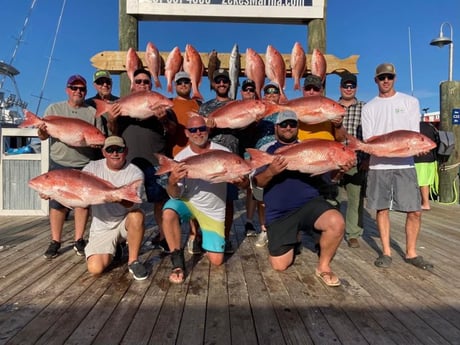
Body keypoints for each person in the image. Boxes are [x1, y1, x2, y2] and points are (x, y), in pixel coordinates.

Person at [252, 110, 347, 287]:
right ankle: (293, 237)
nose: (288, 128)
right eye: (284, 124)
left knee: (336, 222)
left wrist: (339, 170)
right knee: (280, 266)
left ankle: (324, 266)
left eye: (292, 124)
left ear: (297, 127)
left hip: (309, 204)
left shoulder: (311, 147)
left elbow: (328, 178)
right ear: (276, 127)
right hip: (280, 213)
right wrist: (271, 171)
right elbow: (257, 183)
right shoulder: (268, 151)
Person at [361, 63, 433, 270]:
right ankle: (386, 252)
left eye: (389, 77)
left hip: (406, 166)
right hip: (378, 166)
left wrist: (416, 148)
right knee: (382, 210)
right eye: (382, 77)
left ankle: (411, 253)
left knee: (415, 210)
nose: (386, 81)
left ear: (395, 79)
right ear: (375, 80)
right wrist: (376, 149)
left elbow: (412, 133)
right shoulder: (369, 107)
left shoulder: (410, 102)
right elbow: (369, 139)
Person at [162, 116, 247, 284]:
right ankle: (177, 262)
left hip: (213, 211)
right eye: (193, 130)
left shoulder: (223, 151)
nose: (198, 133)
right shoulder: (181, 157)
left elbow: (244, 185)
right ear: (187, 133)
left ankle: (203, 237)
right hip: (190, 203)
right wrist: (171, 181)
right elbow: (175, 194)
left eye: (202, 128)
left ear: (208, 130)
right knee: (169, 210)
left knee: (216, 261)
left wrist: (243, 181)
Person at [108, 68, 177, 253]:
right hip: (129, 163)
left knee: (160, 201)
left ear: (151, 85)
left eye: (146, 82)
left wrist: (163, 120)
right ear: (132, 84)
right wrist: (112, 118)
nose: (142, 84)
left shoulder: (162, 105)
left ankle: (164, 237)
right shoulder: (121, 104)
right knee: (125, 202)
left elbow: (172, 131)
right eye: (138, 81)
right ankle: (122, 242)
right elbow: (113, 132)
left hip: (156, 161)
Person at [38, 74, 106, 260]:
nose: (78, 91)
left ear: (86, 91)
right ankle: (55, 241)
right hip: (59, 162)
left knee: (81, 203)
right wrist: (41, 131)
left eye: (81, 89)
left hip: (84, 164)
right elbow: (43, 136)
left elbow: (100, 139)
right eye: (74, 88)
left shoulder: (93, 112)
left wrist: (97, 143)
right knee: (57, 203)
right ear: (67, 89)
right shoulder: (54, 108)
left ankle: (79, 239)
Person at [83, 136, 148, 280]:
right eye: (110, 149)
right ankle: (116, 247)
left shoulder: (135, 173)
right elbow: (78, 193)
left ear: (126, 151)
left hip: (124, 221)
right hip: (102, 228)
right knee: (95, 269)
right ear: (103, 152)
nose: (115, 153)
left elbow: (134, 204)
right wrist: (54, 193)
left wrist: (120, 200)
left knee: (137, 215)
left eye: (119, 149)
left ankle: (133, 261)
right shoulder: (92, 167)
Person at [199, 69, 238, 253]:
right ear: (213, 85)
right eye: (218, 81)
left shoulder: (238, 104)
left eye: (225, 81)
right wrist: (209, 129)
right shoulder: (205, 107)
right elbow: (198, 133)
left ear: (230, 84)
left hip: (232, 161)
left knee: (228, 201)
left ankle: (227, 236)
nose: (222, 84)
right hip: (210, 160)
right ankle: (201, 235)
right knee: (205, 200)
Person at [168, 71, 202, 255]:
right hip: (176, 156)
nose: (183, 85)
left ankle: (194, 234)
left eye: (186, 81)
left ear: (192, 83)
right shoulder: (169, 104)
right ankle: (172, 238)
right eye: (179, 82)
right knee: (179, 197)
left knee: (196, 196)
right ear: (175, 84)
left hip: (198, 157)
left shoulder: (198, 104)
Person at [337, 73, 367, 248]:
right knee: (331, 197)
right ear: (340, 87)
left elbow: (370, 135)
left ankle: (353, 233)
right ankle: (332, 230)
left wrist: (368, 158)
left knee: (355, 199)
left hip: (357, 160)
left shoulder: (364, 107)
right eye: (345, 85)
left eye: (352, 86)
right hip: (335, 161)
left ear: (355, 88)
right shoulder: (332, 106)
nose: (349, 89)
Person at [252, 82, 282, 248]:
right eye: (268, 94)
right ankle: (264, 229)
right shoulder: (259, 111)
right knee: (260, 195)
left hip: (280, 155)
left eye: (274, 94)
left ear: (279, 95)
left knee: (280, 191)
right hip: (261, 155)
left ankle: (278, 228)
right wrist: (254, 122)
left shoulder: (285, 112)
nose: (271, 97)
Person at [239, 79, 258, 237]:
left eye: (252, 90)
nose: (249, 92)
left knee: (253, 188)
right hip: (237, 152)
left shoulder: (259, 108)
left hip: (255, 153)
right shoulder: (236, 106)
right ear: (241, 92)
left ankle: (249, 221)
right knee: (236, 187)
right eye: (246, 90)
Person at [414, 121, 438, 211]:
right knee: (425, 182)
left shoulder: (414, 126)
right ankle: (425, 202)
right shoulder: (430, 126)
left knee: (421, 182)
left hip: (419, 159)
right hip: (431, 159)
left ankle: (425, 203)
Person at [86, 70, 119, 135]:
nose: (105, 85)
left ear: (112, 83)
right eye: (100, 82)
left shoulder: (119, 102)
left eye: (107, 81)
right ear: (94, 85)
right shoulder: (87, 104)